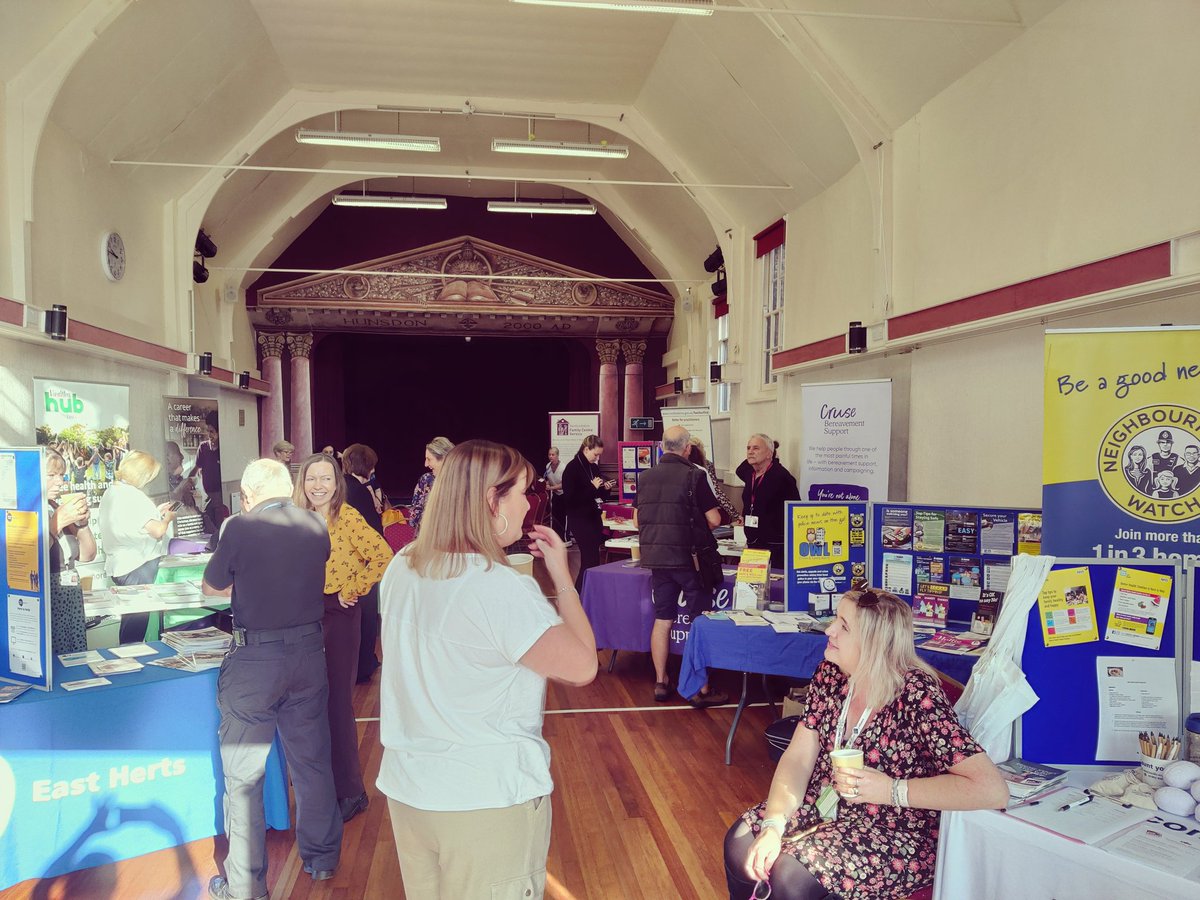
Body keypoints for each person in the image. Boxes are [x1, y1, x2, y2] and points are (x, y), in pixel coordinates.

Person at [376, 439, 597, 899]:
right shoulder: (496, 588)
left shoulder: (403, 565)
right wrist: (563, 580)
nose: (529, 504)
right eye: (521, 493)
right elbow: (582, 667)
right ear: (490, 502)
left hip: (410, 788)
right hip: (484, 798)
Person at [723, 588, 1007, 900]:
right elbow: (798, 759)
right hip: (826, 807)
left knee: (791, 875)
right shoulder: (831, 675)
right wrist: (774, 825)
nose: (830, 630)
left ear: (874, 643)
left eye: (844, 626)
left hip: (896, 829)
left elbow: (991, 789)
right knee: (740, 841)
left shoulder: (916, 695)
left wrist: (890, 789)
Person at [202, 459, 343, 900]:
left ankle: (245, 886)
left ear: (247, 495)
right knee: (312, 762)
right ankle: (322, 859)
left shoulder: (239, 528)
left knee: (244, 778)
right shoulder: (317, 526)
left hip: (256, 661)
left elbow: (212, 588)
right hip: (308, 654)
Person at [293, 453, 393, 823]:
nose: (318, 486)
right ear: (301, 483)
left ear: (337, 484)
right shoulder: (295, 519)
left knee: (336, 703)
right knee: (307, 704)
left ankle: (351, 791)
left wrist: (351, 588)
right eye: (311, 479)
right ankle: (321, 787)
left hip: (338, 616)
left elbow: (382, 555)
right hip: (302, 616)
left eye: (326, 479)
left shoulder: (346, 517)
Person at [636, 426, 728, 707]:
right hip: (690, 560)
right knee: (699, 621)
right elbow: (713, 519)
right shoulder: (694, 475)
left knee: (663, 619)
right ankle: (700, 690)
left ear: (663, 447)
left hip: (656, 559)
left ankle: (661, 681)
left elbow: (638, 521)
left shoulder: (646, 476)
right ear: (687, 449)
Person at [99, 450, 177, 643]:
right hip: (137, 565)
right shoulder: (133, 496)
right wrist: (167, 519)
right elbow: (157, 531)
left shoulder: (112, 492)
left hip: (120, 564)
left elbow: (133, 523)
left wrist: (155, 513)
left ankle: (128, 655)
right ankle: (130, 657)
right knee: (136, 620)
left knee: (131, 618)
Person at [341, 443, 387, 684]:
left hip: (340, 564)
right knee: (366, 616)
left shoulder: (340, 487)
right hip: (361, 565)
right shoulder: (359, 490)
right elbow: (375, 530)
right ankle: (364, 665)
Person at [45, 448, 96, 654]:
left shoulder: (55, 505)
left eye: (61, 475)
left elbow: (87, 555)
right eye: (51, 475)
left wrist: (82, 524)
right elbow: (30, 559)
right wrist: (57, 523)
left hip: (69, 592)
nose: (59, 481)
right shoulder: (24, 511)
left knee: (74, 655)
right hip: (47, 595)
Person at [735, 433, 800, 568]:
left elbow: (795, 511)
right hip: (753, 540)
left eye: (756, 448)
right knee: (753, 583)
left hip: (775, 544)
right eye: (748, 448)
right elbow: (740, 469)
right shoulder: (749, 473)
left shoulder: (782, 477)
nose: (750, 452)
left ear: (769, 454)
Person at [561, 435, 615, 591]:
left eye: (599, 455)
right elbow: (570, 500)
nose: (597, 458)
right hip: (579, 520)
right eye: (595, 454)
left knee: (594, 559)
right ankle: (579, 593)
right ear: (586, 449)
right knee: (588, 559)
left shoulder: (593, 467)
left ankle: (590, 592)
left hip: (593, 518)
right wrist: (592, 487)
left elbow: (598, 497)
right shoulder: (572, 469)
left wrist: (606, 489)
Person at [687, 436, 739, 525]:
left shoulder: (682, 465)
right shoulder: (706, 465)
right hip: (704, 509)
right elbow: (716, 491)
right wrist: (735, 514)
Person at [409, 436, 454, 536]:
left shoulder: (463, 482)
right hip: (427, 538)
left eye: (429, 459)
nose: (425, 464)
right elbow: (415, 515)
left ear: (444, 458)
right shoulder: (426, 480)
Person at [543, 446, 567, 538]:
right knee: (555, 517)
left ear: (557, 456)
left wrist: (551, 488)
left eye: (553, 455)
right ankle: (555, 537)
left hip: (563, 495)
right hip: (556, 495)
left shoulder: (563, 467)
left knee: (562, 518)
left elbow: (563, 484)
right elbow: (549, 479)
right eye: (549, 454)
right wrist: (547, 484)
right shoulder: (547, 466)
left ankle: (563, 538)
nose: (551, 456)